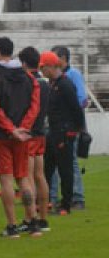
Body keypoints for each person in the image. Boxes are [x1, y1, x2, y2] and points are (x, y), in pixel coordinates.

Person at [0, 37, 40, 238]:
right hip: (22, 136)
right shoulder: (29, 78)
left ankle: (12, 226)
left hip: (1, 135)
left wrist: (10, 129)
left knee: (5, 179)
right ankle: (33, 222)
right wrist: (23, 128)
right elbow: (35, 106)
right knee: (23, 178)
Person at [40, 50, 86, 217]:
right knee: (48, 167)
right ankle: (49, 200)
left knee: (65, 169)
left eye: (43, 68)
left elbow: (76, 108)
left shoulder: (65, 85)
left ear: (52, 66)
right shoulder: (54, 84)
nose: (41, 72)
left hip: (64, 133)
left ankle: (66, 204)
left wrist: (77, 130)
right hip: (54, 132)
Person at [20, 47, 51, 233]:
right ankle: (43, 219)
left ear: (24, 63)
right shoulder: (45, 83)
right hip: (41, 132)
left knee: (28, 177)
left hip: (29, 133)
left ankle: (30, 218)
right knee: (41, 176)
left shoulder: (27, 82)